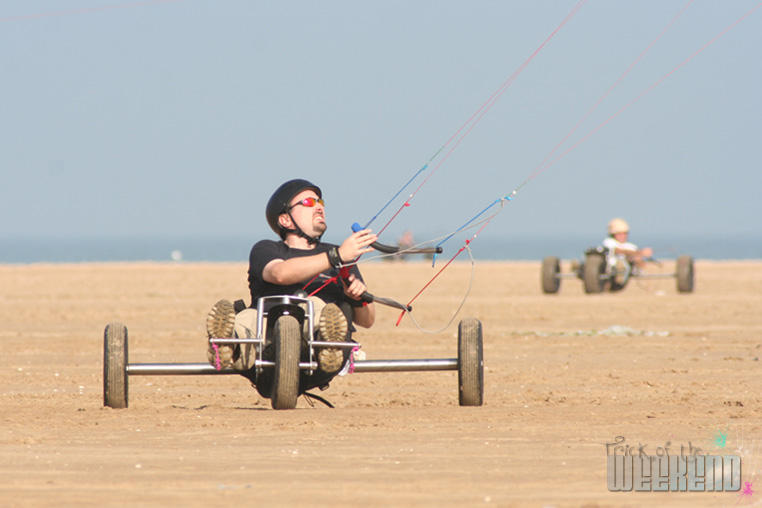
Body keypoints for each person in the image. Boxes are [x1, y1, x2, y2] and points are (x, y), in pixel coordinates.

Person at [205, 179, 377, 384]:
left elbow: (367, 321)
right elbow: (280, 273)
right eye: (309, 203)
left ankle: (328, 345)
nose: (319, 207)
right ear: (285, 220)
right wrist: (336, 256)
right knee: (247, 317)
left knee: (318, 307)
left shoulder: (340, 254)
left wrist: (358, 298)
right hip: (265, 346)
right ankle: (227, 345)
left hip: (314, 355)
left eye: (320, 202)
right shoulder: (267, 249)